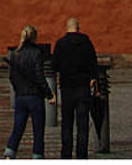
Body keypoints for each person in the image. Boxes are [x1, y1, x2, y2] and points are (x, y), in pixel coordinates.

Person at [52, 17, 100, 159]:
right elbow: (93, 65)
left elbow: (54, 66)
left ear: (67, 27)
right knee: (82, 124)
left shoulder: (61, 44)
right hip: (83, 87)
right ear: (78, 27)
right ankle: (82, 155)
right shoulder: (86, 43)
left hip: (67, 87)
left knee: (67, 123)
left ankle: (66, 155)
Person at [4, 24, 54, 160]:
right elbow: (39, 76)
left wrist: (18, 89)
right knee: (38, 130)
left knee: (18, 128)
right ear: (34, 38)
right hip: (35, 96)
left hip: (20, 96)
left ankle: (10, 152)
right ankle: (37, 156)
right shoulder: (37, 54)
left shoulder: (15, 54)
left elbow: (11, 77)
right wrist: (49, 94)